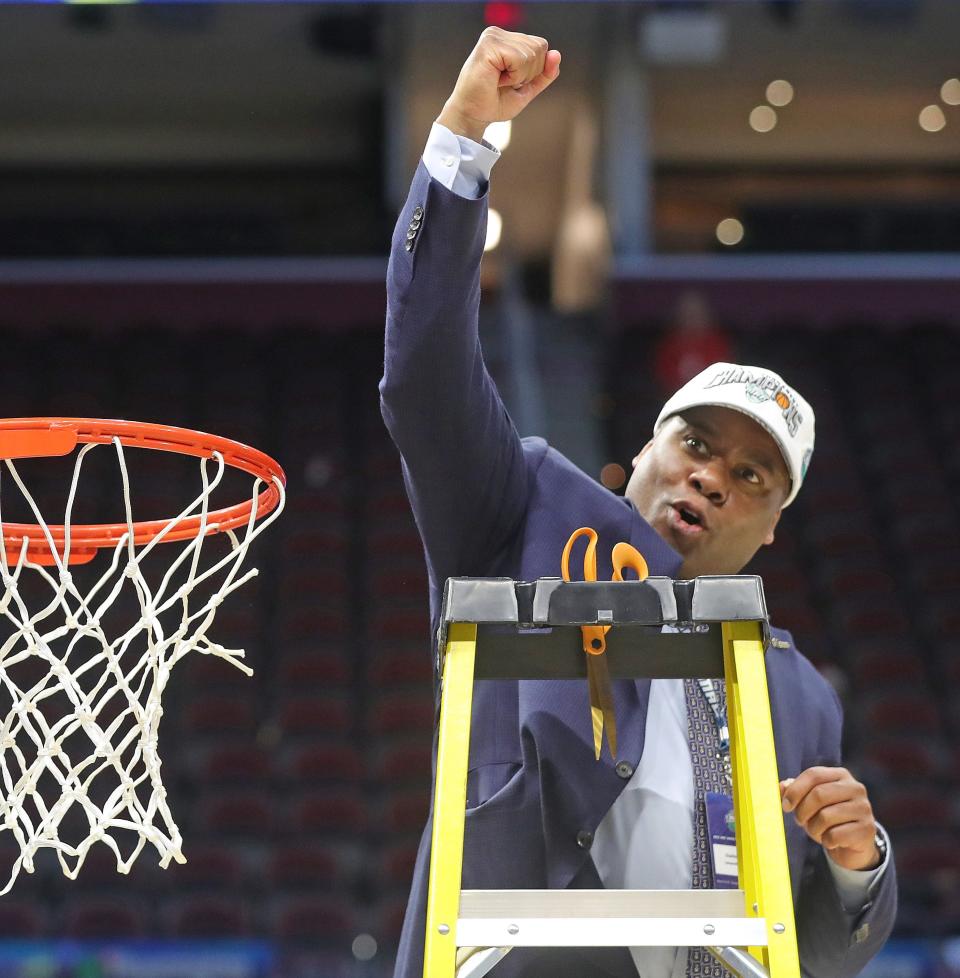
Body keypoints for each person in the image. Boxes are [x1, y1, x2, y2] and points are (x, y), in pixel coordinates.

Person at [380, 28, 897, 978]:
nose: (710, 478)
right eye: (696, 446)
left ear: (773, 527)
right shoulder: (526, 511)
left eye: (751, 478)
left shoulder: (801, 697)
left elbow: (813, 951)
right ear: (643, 451)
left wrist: (859, 870)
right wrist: (463, 140)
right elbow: (422, 378)